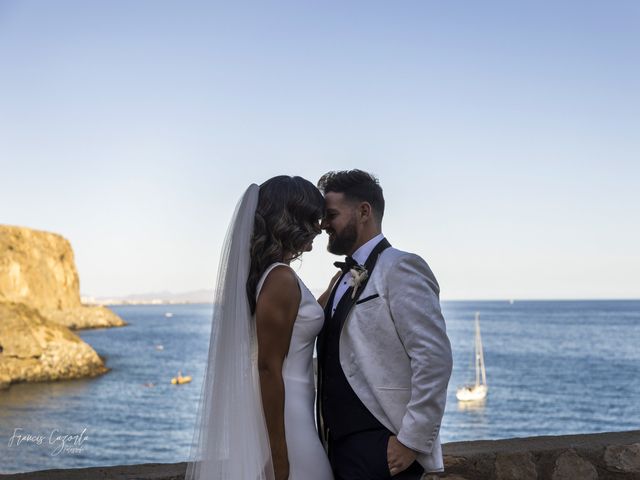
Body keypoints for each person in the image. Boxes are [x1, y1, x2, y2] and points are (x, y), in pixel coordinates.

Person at [186, 176, 334, 480]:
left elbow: (296, 325)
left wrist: (335, 287)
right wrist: (280, 458)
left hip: (291, 410)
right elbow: (268, 368)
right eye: (314, 218)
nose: (320, 227)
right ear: (292, 219)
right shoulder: (280, 278)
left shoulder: (272, 275)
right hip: (287, 416)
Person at [316, 170, 453, 480]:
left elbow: (433, 359)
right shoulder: (340, 279)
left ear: (364, 211)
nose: (324, 224)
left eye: (331, 215)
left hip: (382, 446)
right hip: (337, 447)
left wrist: (411, 441)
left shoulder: (401, 267)